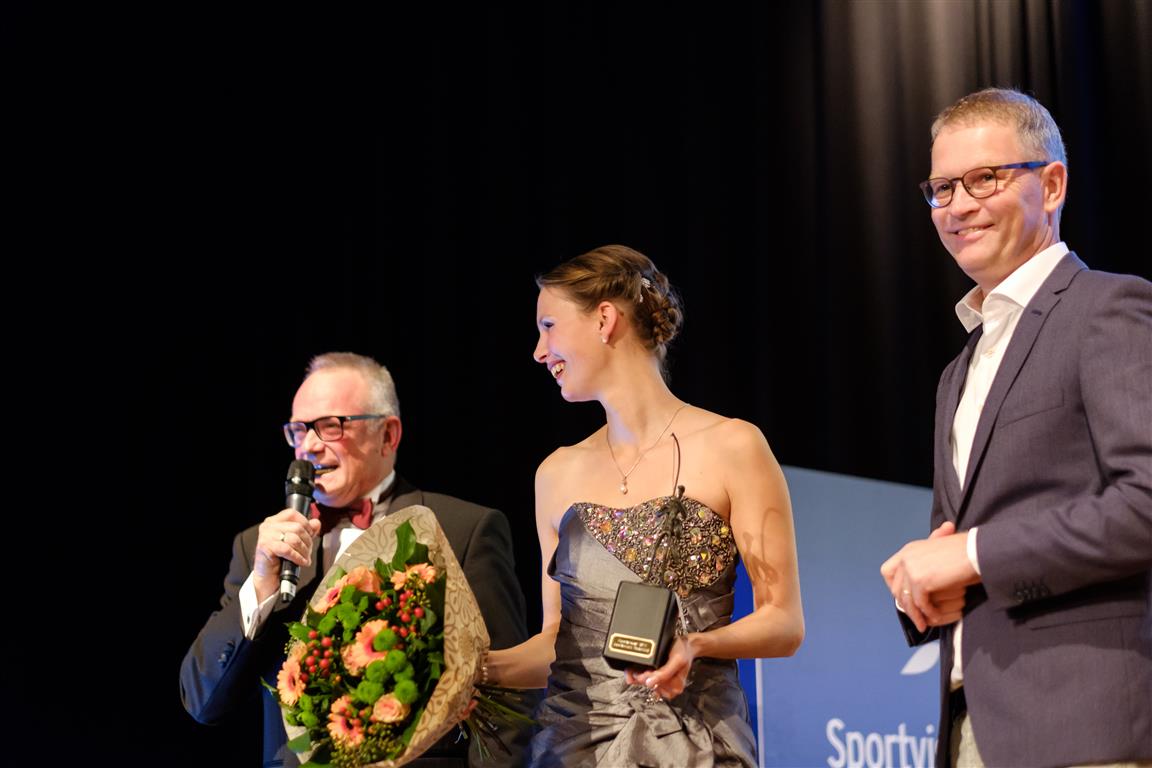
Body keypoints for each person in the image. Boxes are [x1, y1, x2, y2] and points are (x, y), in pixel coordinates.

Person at [881, 87, 1152, 768]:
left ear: (1051, 185)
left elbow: (1145, 502)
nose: (958, 206)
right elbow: (963, 549)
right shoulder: (958, 371)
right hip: (974, 727)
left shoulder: (1109, 308)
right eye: (942, 189)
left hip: (1086, 723)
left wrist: (972, 555)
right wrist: (924, 583)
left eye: (984, 179)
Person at [484, 244, 805, 767]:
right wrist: (470, 671)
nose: (539, 352)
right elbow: (556, 642)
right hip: (572, 749)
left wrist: (695, 646)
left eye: (548, 326)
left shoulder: (733, 445)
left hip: (692, 745)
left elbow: (784, 623)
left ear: (604, 319)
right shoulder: (555, 473)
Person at [180, 352, 533, 768]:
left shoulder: (464, 530)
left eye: (331, 426)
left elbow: (509, 703)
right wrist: (261, 585)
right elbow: (203, 702)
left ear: (388, 435)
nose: (309, 446)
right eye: (298, 430)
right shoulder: (261, 549)